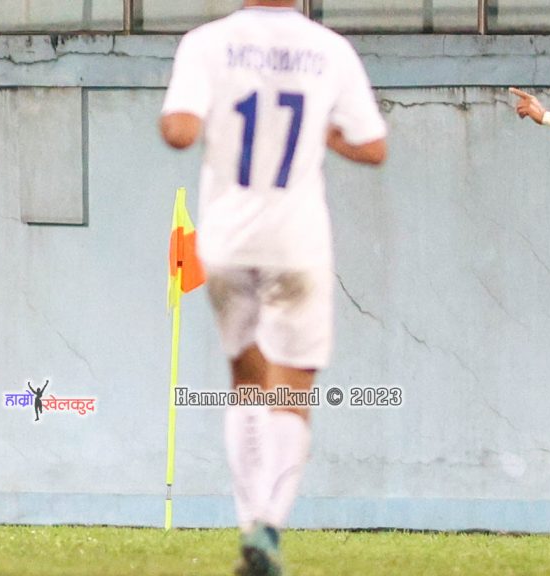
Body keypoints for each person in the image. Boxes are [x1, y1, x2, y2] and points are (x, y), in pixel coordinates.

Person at [159, 2, 387, 574]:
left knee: (246, 380)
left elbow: (179, 131)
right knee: (292, 390)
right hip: (296, 241)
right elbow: (374, 146)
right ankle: (269, 524)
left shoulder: (206, 41)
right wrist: (323, 135)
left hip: (228, 239)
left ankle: (248, 520)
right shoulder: (329, 49)